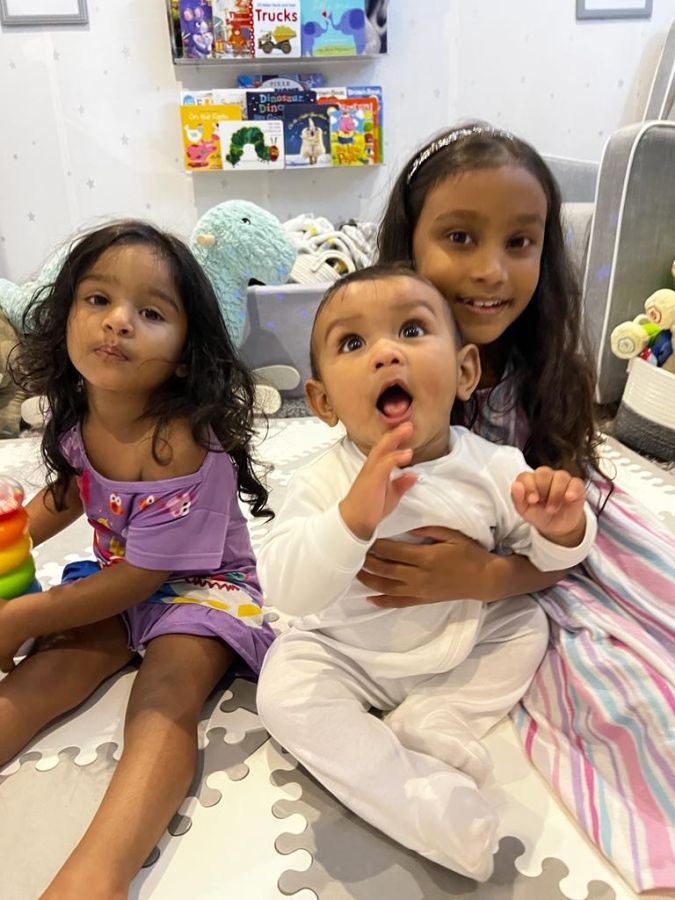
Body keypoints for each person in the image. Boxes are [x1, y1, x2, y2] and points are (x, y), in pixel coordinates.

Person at [374, 123, 675, 893]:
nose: (490, 270)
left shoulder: (544, 359)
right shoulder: (385, 371)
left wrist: (500, 570)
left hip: (556, 546)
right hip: (472, 577)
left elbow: (568, 508)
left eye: (519, 242)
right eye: (459, 237)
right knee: (620, 697)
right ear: (409, 245)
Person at [255, 265, 597, 881]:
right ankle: (423, 803)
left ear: (465, 372)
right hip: (345, 652)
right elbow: (285, 588)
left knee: (526, 624)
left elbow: (548, 562)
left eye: (411, 330)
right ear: (324, 402)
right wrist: (350, 521)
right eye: (352, 342)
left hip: (458, 642)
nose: (386, 353)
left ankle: (441, 716)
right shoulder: (320, 479)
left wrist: (561, 527)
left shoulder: (495, 467)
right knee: (283, 690)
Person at [0, 221, 274, 898]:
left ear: (183, 354)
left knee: (163, 699)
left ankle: (99, 875)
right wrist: (12, 537)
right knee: (44, 674)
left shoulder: (180, 440)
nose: (118, 321)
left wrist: (22, 616)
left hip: (201, 588)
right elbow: (70, 493)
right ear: (65, 319)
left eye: (150, 313)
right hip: (114, 582)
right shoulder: (79, 416)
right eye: (98, 299)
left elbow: (145, 578)